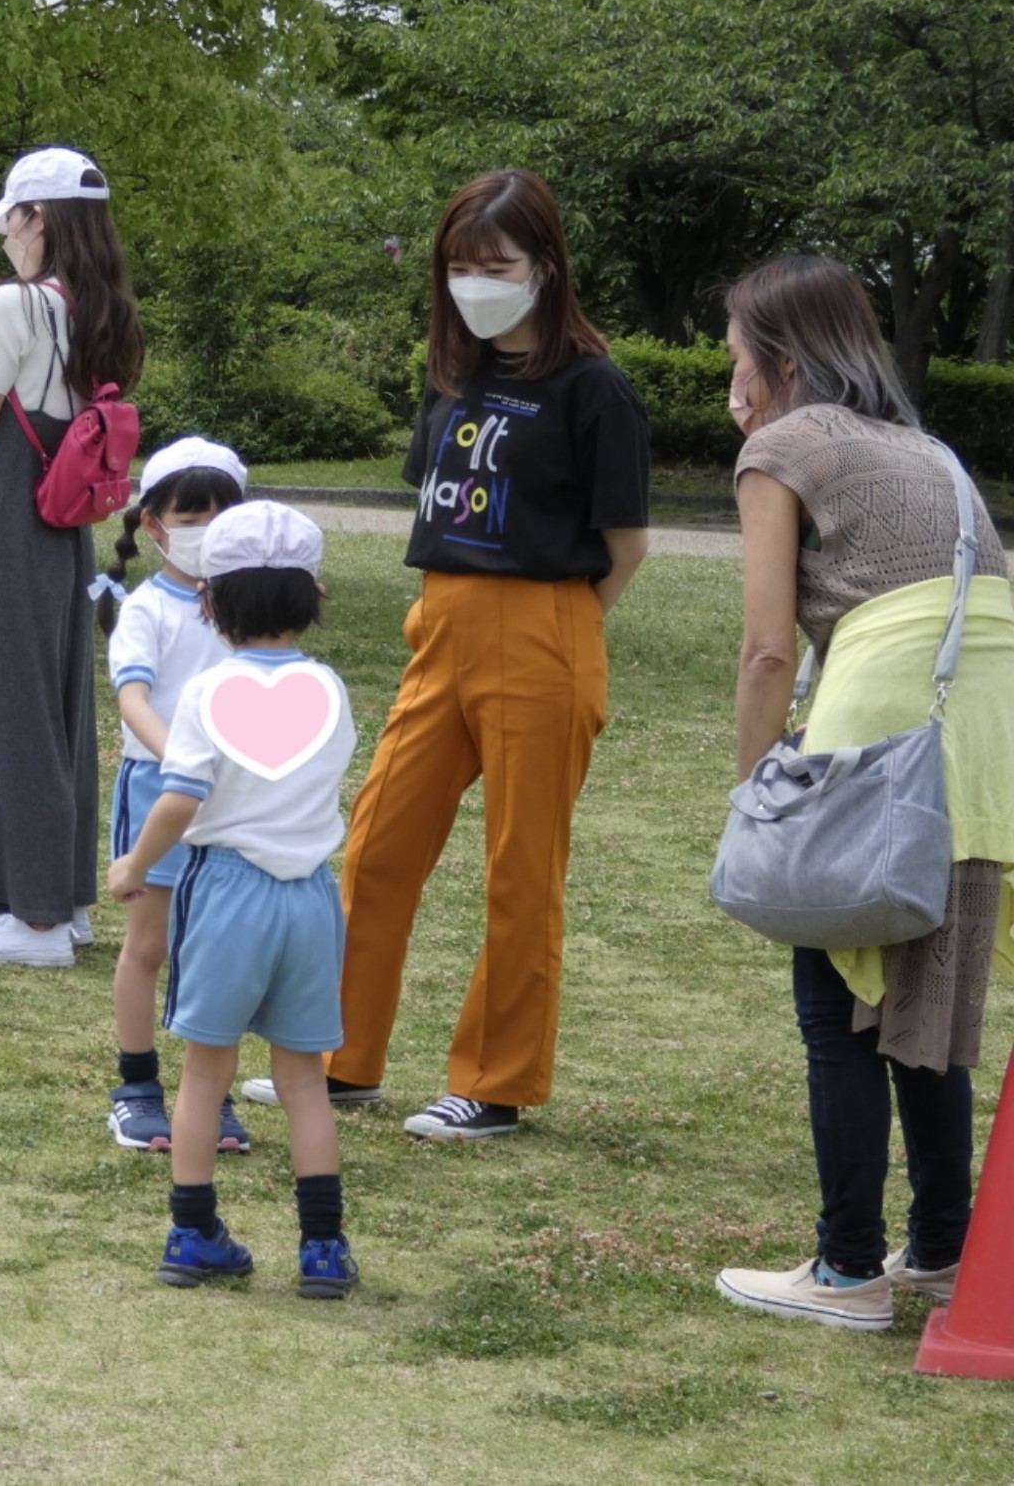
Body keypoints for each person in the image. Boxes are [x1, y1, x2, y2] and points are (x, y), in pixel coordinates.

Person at [240, 168, 651, 1140]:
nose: (475, 283)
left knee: (520, 869)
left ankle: (495, 1084)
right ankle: (339, 1058)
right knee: (377, 844)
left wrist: (553, 625)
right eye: (460, 266)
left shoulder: (594, 388)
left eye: (496, 265)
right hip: (441, 629)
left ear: (545, 266)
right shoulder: (453, 375)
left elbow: (626, 546)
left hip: (543, 631)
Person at [710, 256, 1014, 1332]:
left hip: (885, 712)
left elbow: (764, 651)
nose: (731, 385)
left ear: (783, 363)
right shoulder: (931, 449)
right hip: (980, 730)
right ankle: (940, 1248)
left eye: (737, 360)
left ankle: (845, 1271)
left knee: (836, 1007)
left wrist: (756, 798)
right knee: (924, 1002)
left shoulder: (783, 445)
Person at [107, 501, 361, 1298]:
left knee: (204, 1076)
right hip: (311, 896)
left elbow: (181, 797)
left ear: (210, 601)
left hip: (225, 893)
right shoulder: (329, 688)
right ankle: (323, 1248)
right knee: (303, 1081)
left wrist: (133, 864)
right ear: (313, 598)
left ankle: (193, 1233)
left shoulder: (207, 693)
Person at [0, 146, 144, 968]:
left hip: (13, 518)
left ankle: (36, 921)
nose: (7, 238)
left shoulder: (18, 300)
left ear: (37, 216)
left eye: (11, 221)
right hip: (66, 528)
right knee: (57, 709)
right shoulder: (99, 306)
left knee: (11, 707)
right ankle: (62, 902)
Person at [95, 437, 248, 1154]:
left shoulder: (248, 609)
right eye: (190, 518)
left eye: (222, 517)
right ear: (154, 525)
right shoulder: (145, 609)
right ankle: (137, 1090)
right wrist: (184, 760)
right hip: (158, 791)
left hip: (234, 800)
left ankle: (210, 1097)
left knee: (217, 953)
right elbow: (133, 700)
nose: (205, 532)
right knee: (149, 945)